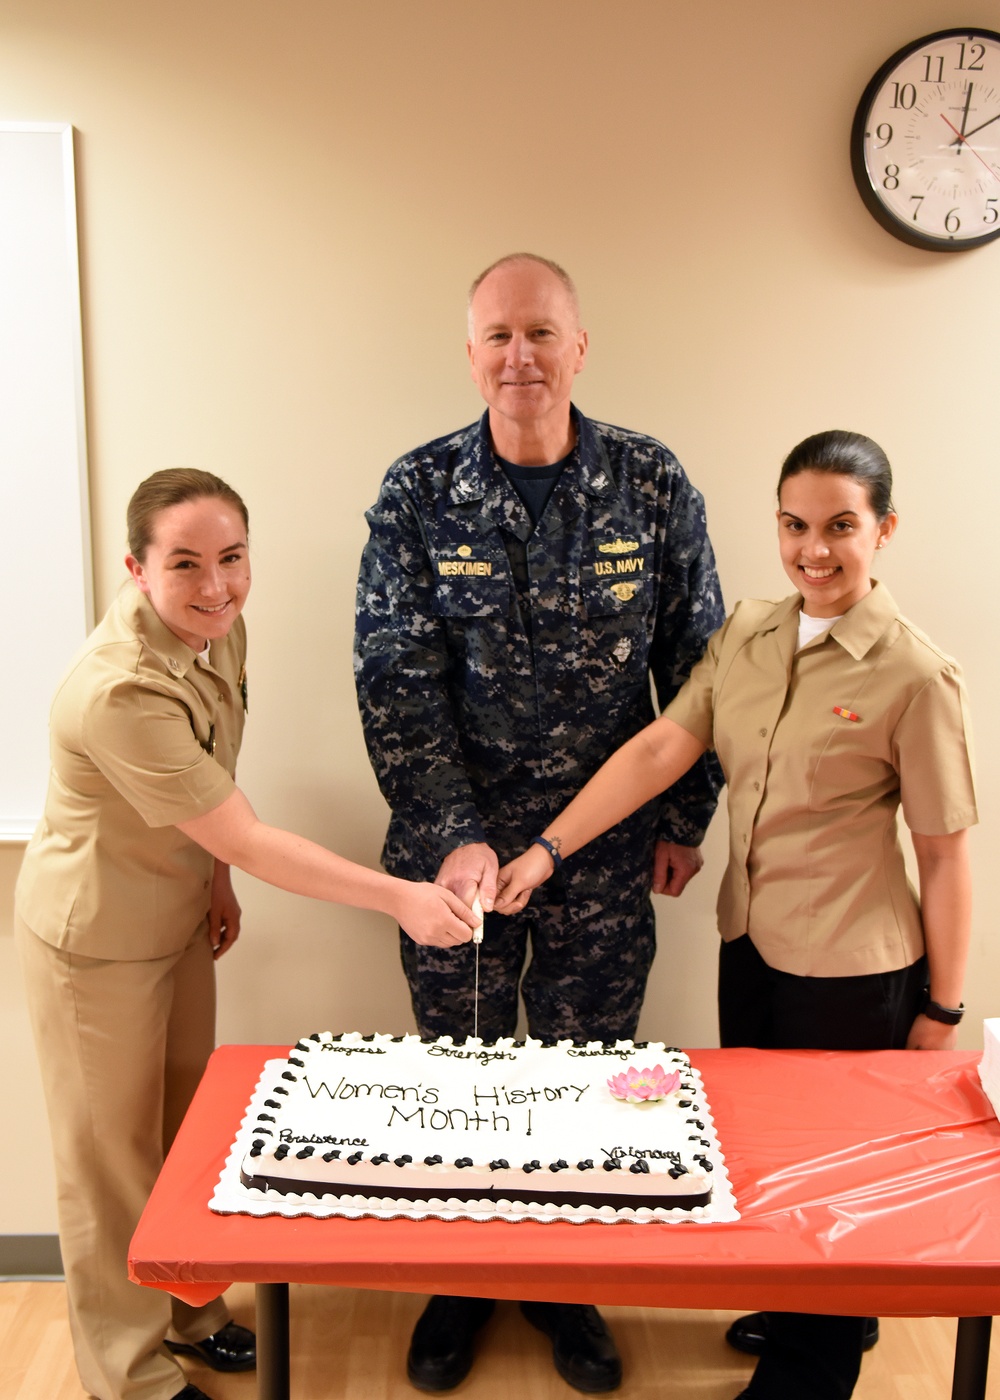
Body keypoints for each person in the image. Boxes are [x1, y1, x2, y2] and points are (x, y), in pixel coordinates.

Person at [495, 430, 976, 1400]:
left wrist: (943, 1011)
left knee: (834, 1176)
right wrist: (547, 849)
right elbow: (659, 749)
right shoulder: (750, 632)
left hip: (852, 970)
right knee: (765, 1159)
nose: (814, 549)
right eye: (795, 524)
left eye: (841, 525)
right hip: (750, 943)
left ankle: (814, 1364)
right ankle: (814, 1307)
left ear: (883, 529)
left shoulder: (914, 675)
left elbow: (945, 850)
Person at [15, 469, 479, 1400]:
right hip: (95, 942)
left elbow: (213, 781)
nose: (216, 584)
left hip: (178, 914)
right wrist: (399, 898)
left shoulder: (214, 630)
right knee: (111, 1162)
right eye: (184, 563)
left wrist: (215, 881)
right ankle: (132, 1373)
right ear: (135, 569)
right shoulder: (119, 691)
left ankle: (190, 1314)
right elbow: (248, 832)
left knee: (184, 1135)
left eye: (231, 558)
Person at [354, 254, 724, 1393]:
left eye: (541, 332)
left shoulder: (652, 481)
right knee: (460, 1081)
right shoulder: (417, 491)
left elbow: (700, 669)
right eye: (498, 335)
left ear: (578, 347)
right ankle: (463, 1277)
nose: (520, 355)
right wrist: (456, 828)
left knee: (584, 1079)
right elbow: (394, 676)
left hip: (604, 857)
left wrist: (683, 813)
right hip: (452, 865)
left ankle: (566, 1278)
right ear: (471, 355)